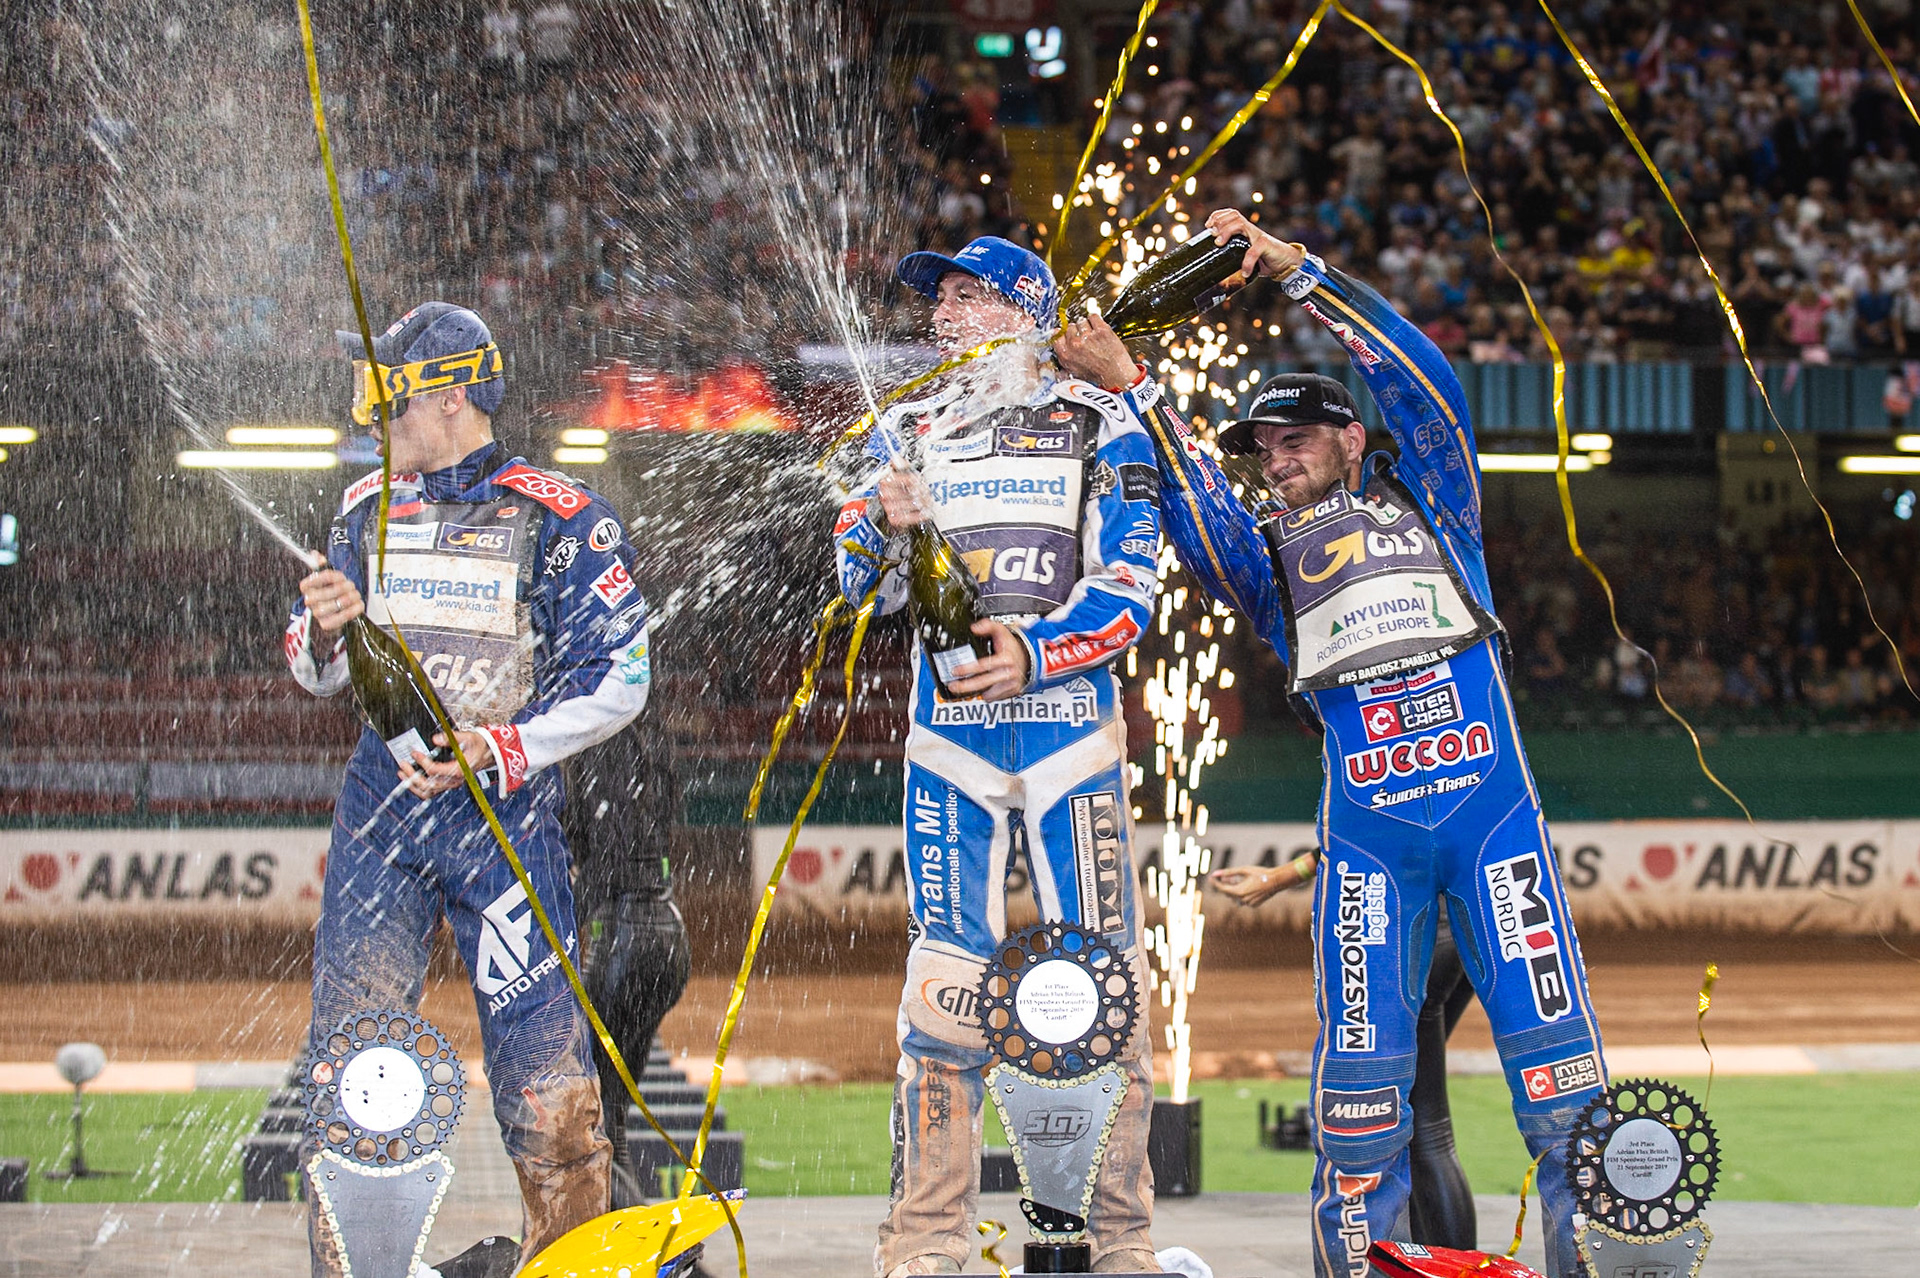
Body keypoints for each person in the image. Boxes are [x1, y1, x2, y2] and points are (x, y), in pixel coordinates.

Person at [1135, 210, 1606, 1278]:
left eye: (1296, 438)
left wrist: (1304, 275)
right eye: (1262, 447)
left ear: (1352, 437)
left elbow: (1428, 383)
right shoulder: (1266, 559)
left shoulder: (1435, 499)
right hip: (1369, 856)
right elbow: (1197, 519)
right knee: (1357, 1106)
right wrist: (1135, 390)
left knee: (1566, 1086)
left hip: (1497, 837)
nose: (1276, 460)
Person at [288, 302, 652, 1275]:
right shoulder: (362, 507)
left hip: (503, 818)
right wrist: (325, 631)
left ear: (446, 397)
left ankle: (574, 1260)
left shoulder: (560, 513)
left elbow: (624, 678)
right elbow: (314, 667)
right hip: (382, 814)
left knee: (548, 1084)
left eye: (388, 396)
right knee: (355, 1061)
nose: (371, 416)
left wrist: (501, 747)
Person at [834, 236, 1165, 1276]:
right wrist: (879, 531)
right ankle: (925, 1238)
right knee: (941, 988)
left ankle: (1117, 1238)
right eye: (941, 300)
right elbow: (857, 585)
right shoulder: (903, 430)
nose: (945, 316)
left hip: (1070, 737)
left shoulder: (1100, 422)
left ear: (1026, 310)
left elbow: (1135, 586)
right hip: (949, 743)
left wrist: (1034, 652)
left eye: (971, 296)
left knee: (1098, 984)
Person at [1210, 854, 1477, 1252]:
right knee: (1421, 1123)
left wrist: (1279, 877)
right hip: (1463, 924)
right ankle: (1431, 1262)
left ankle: (1453, 1268)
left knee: (1427, 1134)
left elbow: (1354, 831)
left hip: (1417, 933)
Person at [563, 723, 692, 1209]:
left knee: (590, 1118)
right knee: (609, 1110)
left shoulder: (606, 743)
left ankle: (635, 1235)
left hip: (624, 938)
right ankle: (632, 1237)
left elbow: (607, 861)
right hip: (663, 934)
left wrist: (566, 923)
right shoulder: (648, 739)